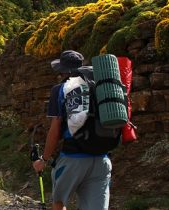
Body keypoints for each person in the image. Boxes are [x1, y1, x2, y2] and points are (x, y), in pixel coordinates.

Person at [32, 50, 112, 210]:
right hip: (102, 160)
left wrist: (44, 160)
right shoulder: (99, 88)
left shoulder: (60, 90)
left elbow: (55, 129)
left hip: (73, 158)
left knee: (59, 203)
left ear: (63, 71)